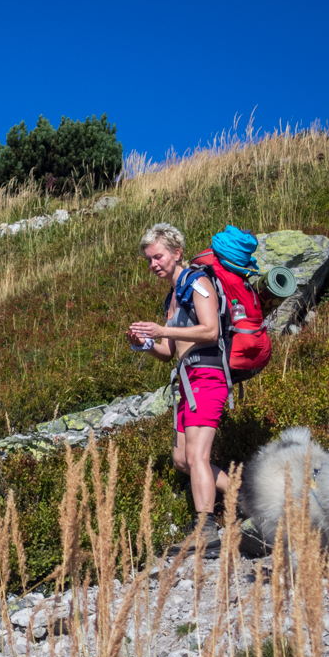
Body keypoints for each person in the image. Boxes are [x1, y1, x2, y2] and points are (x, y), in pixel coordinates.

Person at [128, 223, 229, 554]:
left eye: (158, 257)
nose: (153, 264)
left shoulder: (197, 283)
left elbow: (211, 331)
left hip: (207, 373)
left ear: (176, 253)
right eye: (149, 260)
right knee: (182, 459)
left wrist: (161, 329)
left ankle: (206, 530)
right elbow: (168, 352)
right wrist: (145, 344)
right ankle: (247, 498)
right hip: (187, 380)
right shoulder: (173, 297)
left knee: (197, 455)